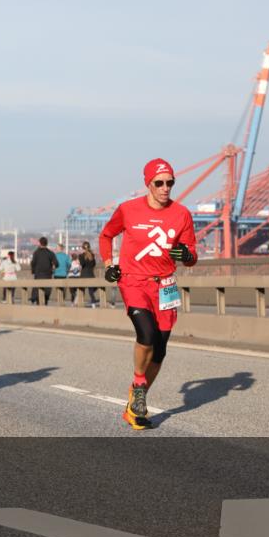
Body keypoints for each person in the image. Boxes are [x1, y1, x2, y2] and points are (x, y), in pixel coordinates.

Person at [99, 158, 197, 430]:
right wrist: (109, 265)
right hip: (134, 281)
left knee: (161, 349)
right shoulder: (128, 210)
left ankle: (135, 400)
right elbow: (106, 236)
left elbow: (191, 254)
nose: (165, 188)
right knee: (147, 334)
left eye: (170, 183)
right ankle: (140, 382)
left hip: (165, 285)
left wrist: (187, 255)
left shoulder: (182, 214)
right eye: (159, 183)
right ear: (148, 184)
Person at [29, 236, 59, 306]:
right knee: (47, 290)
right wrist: (53, 268)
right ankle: (45, 302)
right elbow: (57, 263)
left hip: (38, 274)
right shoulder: (50, 253)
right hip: (47, 274)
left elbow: (33, 263)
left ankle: (37, 301)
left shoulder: (36, 252)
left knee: (37, 289)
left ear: (40, 243)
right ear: (47, 243)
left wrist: (33, 271)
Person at [79, 241, 99, 307]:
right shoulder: (92, 255)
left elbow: (82, 264)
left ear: (83, 248)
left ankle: (81, 303)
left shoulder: (81, 255)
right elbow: (94, 264)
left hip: (84, 274)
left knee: (81, 290)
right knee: (91, 290)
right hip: (90, 274)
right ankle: (93, 303)